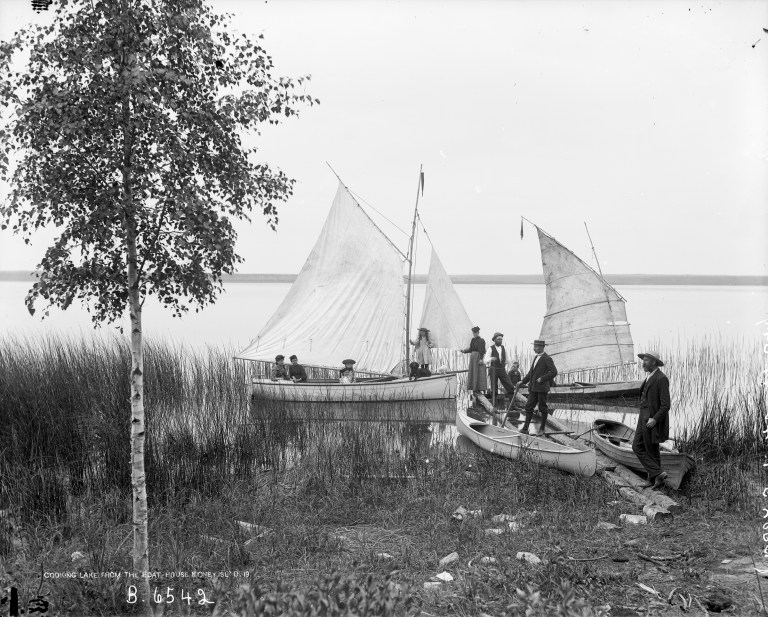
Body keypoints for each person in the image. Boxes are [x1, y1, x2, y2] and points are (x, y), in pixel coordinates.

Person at [632, 351, 671, 489]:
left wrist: (654, 419)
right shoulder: (649, 377)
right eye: (643, 360)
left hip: (651, 420)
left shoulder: (661, 379)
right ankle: (656, 475)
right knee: (638, 446)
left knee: (650, 449)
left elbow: (666, 405)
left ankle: (654, 477)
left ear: (654, 362)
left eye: (646, 360)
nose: (643, 362)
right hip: (643, 417)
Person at [519, 339, 558, 435]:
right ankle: (525, 428)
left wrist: (543, 378)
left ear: (541, 347)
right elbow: (530, 373)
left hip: (541, 388)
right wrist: (522, 381)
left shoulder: (547, 358)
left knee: (543, 408)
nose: (534, 348)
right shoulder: (536, 357)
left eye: (536, 346)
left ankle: (542, 429)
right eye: (534, 346)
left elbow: (554, 372)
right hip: (533, 388)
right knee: (528, 407)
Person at [484, 332, 516, 405]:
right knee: (494, 387)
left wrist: (506, 363)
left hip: (502, 369)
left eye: (501, 339)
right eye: (498, 339)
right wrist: (492, 358)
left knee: (510, 386)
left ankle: (512, 405)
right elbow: (485, 360)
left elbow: (508, 359)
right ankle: (494, 405)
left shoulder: (504, 348)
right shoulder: (490, 348)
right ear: (494, 340)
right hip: (493, 370)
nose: (500, 341)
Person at [461, 326, 487, 402]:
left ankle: (479, 388)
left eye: (476, 332)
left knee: (479, 372)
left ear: (478, 332)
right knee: (473, 372)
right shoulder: (473, 340)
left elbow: (482, 350)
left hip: (478, 357)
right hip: (473, 357)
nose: (474, 334)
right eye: (473, 333)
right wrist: (464, 351)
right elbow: (471, 349)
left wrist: (481, 359)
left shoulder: (481, 340)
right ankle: (474, 388)